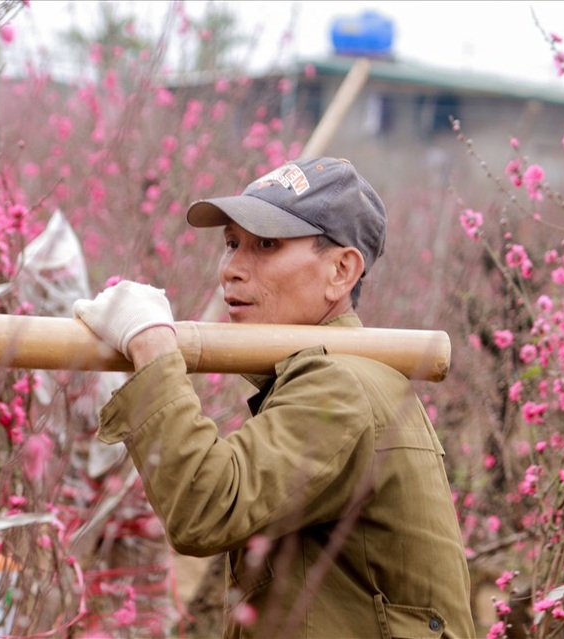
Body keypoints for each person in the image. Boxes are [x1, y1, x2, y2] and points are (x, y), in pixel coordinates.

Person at [73, 157, 476, 639]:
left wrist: (151, 345)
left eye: (266, 245)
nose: (231, 271)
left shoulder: (340, 382)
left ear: (341, 271)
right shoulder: (341, 372)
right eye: (231, 244)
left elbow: (208, 506)